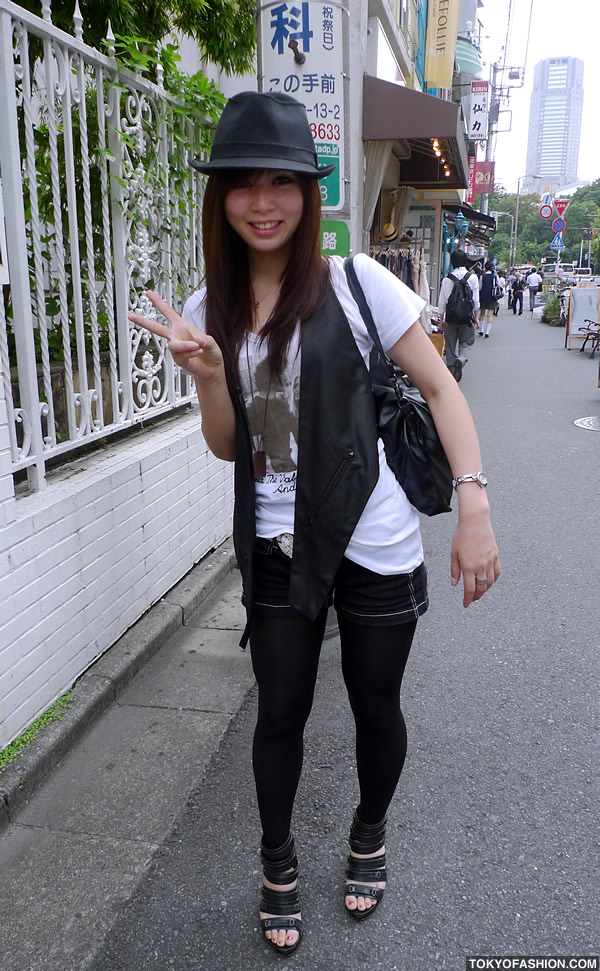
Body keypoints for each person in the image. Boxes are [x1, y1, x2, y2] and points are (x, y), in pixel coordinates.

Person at [128, 91, 500, 957]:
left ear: (308, 191)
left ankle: (368, 832)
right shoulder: (206, 304)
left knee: (377, 705)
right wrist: (213, 375)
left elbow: (442, 390)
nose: (263, 202)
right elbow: (229, 448)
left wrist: (474, 503)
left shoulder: (360, 282)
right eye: (242, 184)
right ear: (219, 197)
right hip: (275, 545)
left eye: (281, 183)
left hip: (373, 539)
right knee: (279, 714)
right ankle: (277, 860)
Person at [437, 249, 480, 381]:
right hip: (466, 319)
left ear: (452, 262)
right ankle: (461, 360)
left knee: (450, 346)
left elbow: (442, 302)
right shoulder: (472, 278)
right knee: (466, 343)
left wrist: (441, 320)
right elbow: (476, 301)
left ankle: (452, 373)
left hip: (451, 318)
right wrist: (476, 318)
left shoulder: (446, 279)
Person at [478, 261, 499, 337]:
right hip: (492, 297)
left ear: (485, 268)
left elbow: (479, 287)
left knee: (482, 313)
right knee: (490, 315)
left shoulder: (482, 276)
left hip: (483, 296)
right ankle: (487, 332)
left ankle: (481, 330)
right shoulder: (495, 277)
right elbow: (497, 286)